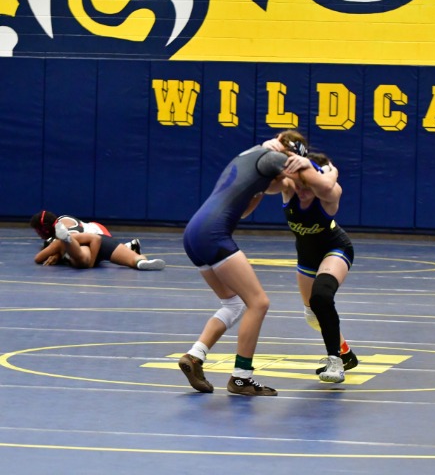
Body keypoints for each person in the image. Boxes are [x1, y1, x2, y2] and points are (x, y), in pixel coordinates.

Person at [179, 129, 312, 396]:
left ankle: (195, 356)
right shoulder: (272, 156)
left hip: (193, 232)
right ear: (290, 153)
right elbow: (305, 179)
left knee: (233, 304)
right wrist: (316, 168)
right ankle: (241, 378)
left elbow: (245, 210)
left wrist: (267, 187)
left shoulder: (251, 156)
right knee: (258, 303)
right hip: (213, 233)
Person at [263, 148, 357, 383]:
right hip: (306, 255)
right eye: (299, 184)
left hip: (335, 248)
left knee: (321, 297)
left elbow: (329, 182)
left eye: (309, 185)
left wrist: (329, 172)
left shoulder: (329, 194)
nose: (302, 191)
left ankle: (335, 362)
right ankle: (346, 354)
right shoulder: (288, 187)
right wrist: (275, 151)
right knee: (313, 316)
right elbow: (265, 182)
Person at [34, 223, 165, 270]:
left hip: (94, 244)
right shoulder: (58, 246)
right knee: (132, 259)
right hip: (101, 243)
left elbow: (38, 258)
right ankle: (141, 262)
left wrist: (91, 264)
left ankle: (68, 240)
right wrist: (57, 256)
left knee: (82, 259)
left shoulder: (58, 243)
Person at [30, 210, 141, 254]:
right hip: (95, 227)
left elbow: (73, 240)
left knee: (89, 253)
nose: (38, 234)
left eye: (38, 231)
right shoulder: (60, 222)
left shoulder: (65, 228)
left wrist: (57, 254)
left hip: (99, 233)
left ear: (45, 228)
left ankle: (129, 246)